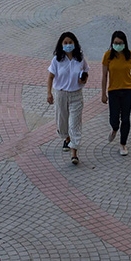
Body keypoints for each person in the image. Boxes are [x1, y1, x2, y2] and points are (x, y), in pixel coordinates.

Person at [47, 31, 89, 165]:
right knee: (62, 121)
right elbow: (50, 77)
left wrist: (83, 79)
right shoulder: (57, 60)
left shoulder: (80, 59)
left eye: (70, 42)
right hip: (61, 94)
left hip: (76, 94)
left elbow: (85, 72)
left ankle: (74, 151)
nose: (68, 45)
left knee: (74, 123)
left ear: (75, 44)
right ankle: (67, 138)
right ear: (61, 44)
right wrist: (49, 93)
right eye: (65, 43)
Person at [100, 30, 131, 157]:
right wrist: (103, 93)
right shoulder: (107, 56)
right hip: (113, 91)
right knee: (114, 118)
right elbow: (104, 76)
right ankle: (114, 129)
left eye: (120, 43)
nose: (118, 45)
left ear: (125, 43)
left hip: (128, 90)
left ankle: (123, 144)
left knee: (125, 118)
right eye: (115, 43)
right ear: (112, 43)